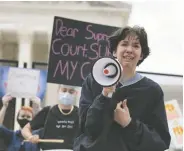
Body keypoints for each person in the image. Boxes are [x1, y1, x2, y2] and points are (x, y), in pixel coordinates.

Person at [75, 26, 171, 151]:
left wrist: (129, 124)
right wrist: (104, 96)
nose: (129, 50)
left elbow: (160, 141)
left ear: (141, 55)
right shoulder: (93, 81)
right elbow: (87, 128)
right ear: (114, 51)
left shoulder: (152, 91)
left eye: (136, 46)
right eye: (124, 44)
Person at [22, 84, 79, 151]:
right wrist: (30, 137)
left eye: (71, 92)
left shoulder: (80, 113)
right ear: (58, 91)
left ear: (76, 93)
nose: (67, 94)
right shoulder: (47, 111)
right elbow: (25, 129)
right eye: (64, 90)